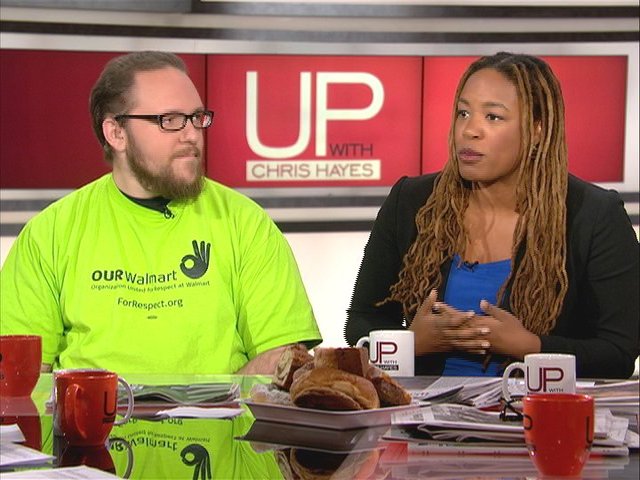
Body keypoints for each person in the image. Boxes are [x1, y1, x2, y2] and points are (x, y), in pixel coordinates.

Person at [0, 51, 322, 374]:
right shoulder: (50, 234)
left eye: (197, 117)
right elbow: (21, 376)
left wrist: (214, 401)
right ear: (116, 133)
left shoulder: (247, 224)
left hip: (226, 410)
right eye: (170, 120)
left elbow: (283, 357)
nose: (192, 134)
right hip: (93, 410)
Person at [345, 52, 639, 378]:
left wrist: (530, 346)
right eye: (463, 113)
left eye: (493, 117)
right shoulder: (412, 202)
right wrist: (410, 344)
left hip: (531, 407)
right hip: (420, 406)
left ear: (537, 129)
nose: (470, 130)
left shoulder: (594, 216)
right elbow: (360, 322)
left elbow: (618, 353)